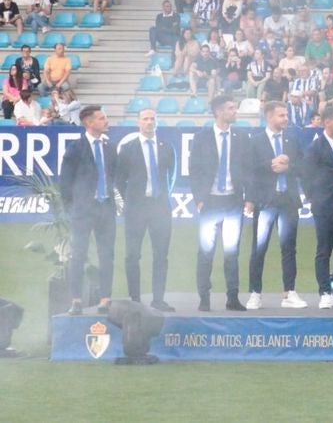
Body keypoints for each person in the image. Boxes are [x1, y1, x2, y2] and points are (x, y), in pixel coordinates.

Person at [242, 100, 307, 310]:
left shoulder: (292, 140)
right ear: (269, 117)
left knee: (289, 248)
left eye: (286, 115)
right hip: (265, 202)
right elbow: (249, 171)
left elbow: (304, 167)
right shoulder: (256, 141)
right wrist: (270, 165)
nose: (286, 118)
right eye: (281, 115)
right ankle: (255, 293)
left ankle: (289, 292)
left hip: (287, 201)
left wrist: (289, 166)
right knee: (259, 248)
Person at [189, 95, 247, 311]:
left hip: (233, 201)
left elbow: (246, 169)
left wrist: (247, 198)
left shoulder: (241, 137)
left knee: (232, 252)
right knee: (206, 252)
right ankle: (204, 297)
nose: (235, 112)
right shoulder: (202, 138)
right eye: (231, 108)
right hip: (210, 202)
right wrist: (199, 200)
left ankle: (232, 297)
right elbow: (194, 169)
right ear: (219, 112)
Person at [114, 109, 175, 310]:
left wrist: (164, 196)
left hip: (160, 207)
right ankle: (135, 299)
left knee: (161, 255)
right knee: (132, 255)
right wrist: (131, 199)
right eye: (145, 119)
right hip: (136, 208)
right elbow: (119, 179)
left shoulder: (166, 147)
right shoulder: (128, 148)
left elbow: (171, 174)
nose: (149, 122)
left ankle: (158, 299)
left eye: (152, 119)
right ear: (138, 122)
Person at [61, 105, 117, 315]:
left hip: (105, 209)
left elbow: (114, 176)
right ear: (89, 123)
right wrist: (71, 208)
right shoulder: (76, 148)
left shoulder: (110, 147)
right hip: (83, 211)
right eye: (102, 118)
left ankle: (105, 298)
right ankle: (76, 300)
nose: (106, 121)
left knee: (107, 255)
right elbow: (66, 181)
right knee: (79, 255)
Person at [303, 104, 333, 308]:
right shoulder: (316, 147)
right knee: (324, 249)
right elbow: (306, 175)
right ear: (327, 123)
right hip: (324, 205)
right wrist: (313, 198)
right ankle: (324, 291)